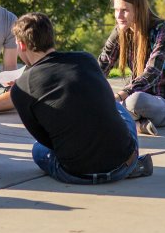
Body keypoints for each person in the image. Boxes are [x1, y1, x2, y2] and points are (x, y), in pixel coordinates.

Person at [9, 12, 153, 184]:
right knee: (116, 106)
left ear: (21, 45)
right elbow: (105, 100)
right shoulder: (85, 59)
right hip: (123, 163)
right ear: (50, 37)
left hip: (75, 173)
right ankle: (128, 164)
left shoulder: (21, 88)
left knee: (38, 149)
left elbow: (45, 140)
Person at [98, 0, 165, 136]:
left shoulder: (163, 30)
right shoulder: (121, 30)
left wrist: (120, 95)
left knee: (135, 101)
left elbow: (152, 72)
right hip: (131, 102)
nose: (119, 16)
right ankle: (136, 124)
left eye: (124, 10)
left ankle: (121, 119)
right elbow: (103, 63)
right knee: (94, 100)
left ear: (138, 9)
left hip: (162, 105)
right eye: (116, 10)